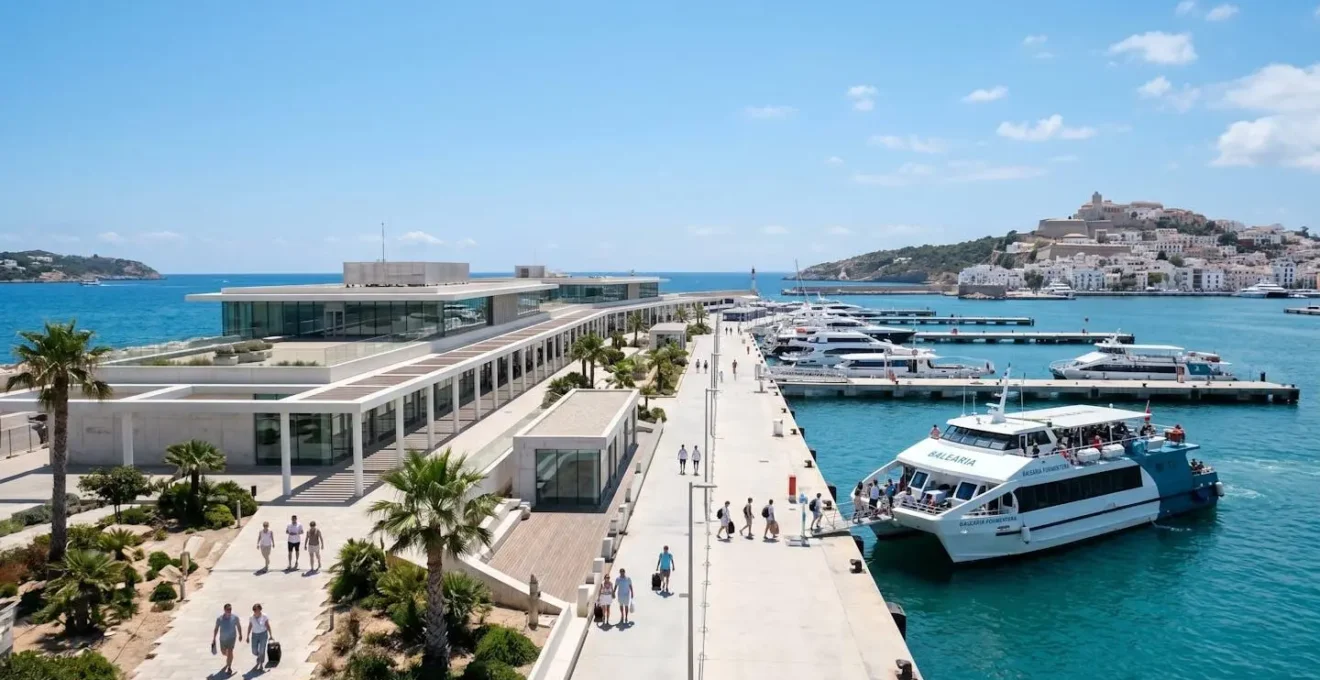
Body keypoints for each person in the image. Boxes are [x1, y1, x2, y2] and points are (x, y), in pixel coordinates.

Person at [211, 603, 242, 675]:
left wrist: (240, 635)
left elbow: (238, 626)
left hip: (232, 638)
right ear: (224, 610)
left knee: (230, 651)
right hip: (222, 639)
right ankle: (229, 657)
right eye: (228, 609)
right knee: (224, 652)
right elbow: (216, 628)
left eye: (230, 609)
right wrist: (214, 638)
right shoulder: (219, 619)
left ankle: (229, 667)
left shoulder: (235, 617)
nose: (229, 611)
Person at [247, 603, 273, 672]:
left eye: (256, 609)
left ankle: (261, 664)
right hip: (254, 635)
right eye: (254, 610)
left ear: (260, 609)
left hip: (263, 634)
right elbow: (250, 626)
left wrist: (270, 635)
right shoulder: (251, 617)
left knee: (262, 649)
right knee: (254, 651)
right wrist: (247, 636)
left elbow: (267, 625)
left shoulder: (264, 616)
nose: (255, 611)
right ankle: (259, 656)